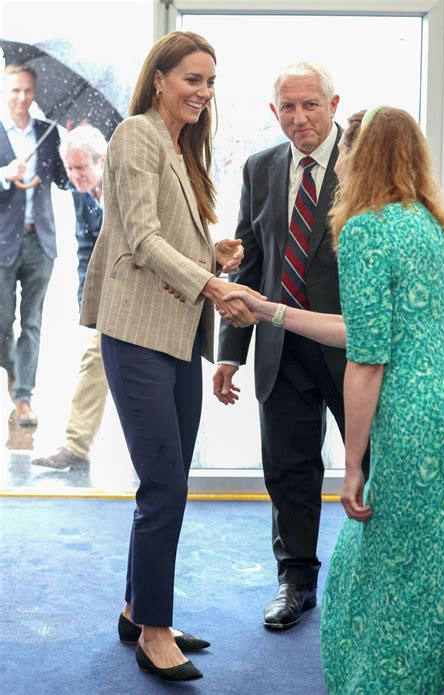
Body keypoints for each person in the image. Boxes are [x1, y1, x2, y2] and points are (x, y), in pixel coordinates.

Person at [223, 106, 444, 693]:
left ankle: (386, 681)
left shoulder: (362, 229)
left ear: (356, 156)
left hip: (408, 414)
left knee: (382, 570)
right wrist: (272, 311)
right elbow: (371, 327)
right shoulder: (436, 225)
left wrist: (353, 463)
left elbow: (365, 356)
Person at [79, 31, 261, 682]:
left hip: (179, 334)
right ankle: (154, 630)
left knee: (167, 481)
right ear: (159, 79)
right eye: (192, 79)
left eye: (211, 82)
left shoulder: (182, 149)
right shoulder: (135, 133)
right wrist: (212, 283)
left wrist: (215, 254)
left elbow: (169, 237)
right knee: (166, 485)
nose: (203, 92)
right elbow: (142, 237)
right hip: (137, 334)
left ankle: (137, 607)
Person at [214, 62, 369, 631]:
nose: (299, 118)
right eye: (288, 107)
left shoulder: (364, 168)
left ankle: (382, 583)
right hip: (282, 348)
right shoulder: (260, 168)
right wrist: (231, 350)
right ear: (273, 111)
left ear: (334, 104)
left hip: (353, 348)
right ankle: (296, 581)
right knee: (288, 470)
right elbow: (250, 262)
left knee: (375, 466)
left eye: (310, 105)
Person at [31, 125, 108, 470]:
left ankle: (78, 447)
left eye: (82, 168)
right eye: (71, 169)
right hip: (111, 301)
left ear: (101, 162)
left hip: (148, 295)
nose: (76, 176)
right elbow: (86, 250)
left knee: (110, 368)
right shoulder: (82, 195)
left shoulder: (127, 186)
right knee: (96, 363)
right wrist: (85, 301)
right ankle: (76, 447)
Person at [0, 64, 68, 426]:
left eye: (28, 90)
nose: (22, 98)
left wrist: (72, 151)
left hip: (40, 241)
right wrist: (4, 175)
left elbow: (65, 182)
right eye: (15, 90)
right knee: (1, 320)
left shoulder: (48, 133)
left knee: (31, 322)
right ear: (5, 91)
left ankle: (23, 396)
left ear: (35, 92)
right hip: (2, 243)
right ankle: (13, 370)